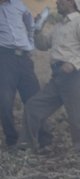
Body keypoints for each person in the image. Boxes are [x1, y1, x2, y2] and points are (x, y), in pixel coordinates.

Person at [23, 0, 80, 153]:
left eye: (62, 0)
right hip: (58, 76)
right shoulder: (59, 26)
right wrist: (37, 30)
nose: (57, 2)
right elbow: (43, 45)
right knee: (33, 107)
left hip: (76, 75)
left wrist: (73, 64)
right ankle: (25, 146)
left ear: (72, 3)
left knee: (79, 116)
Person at [0, 0, 50, 149]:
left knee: (34, 98)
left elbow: (31, 26)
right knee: (5, 101)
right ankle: (12, 140)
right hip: (4, 58)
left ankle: (43, 138)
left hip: (24, 58)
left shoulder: (18, 5)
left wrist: (29, 46)